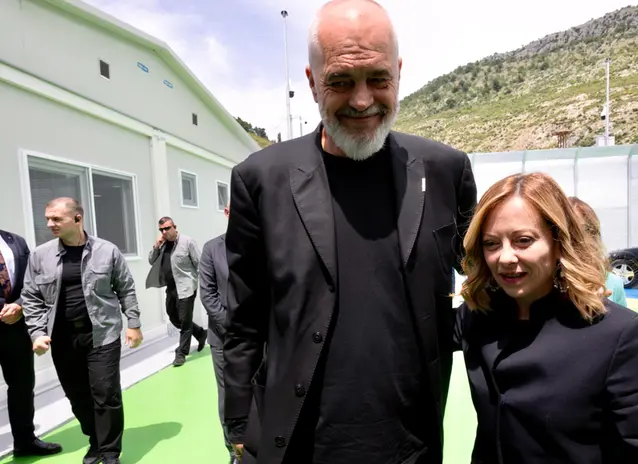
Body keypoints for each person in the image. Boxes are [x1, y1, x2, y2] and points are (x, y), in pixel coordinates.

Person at [222, 0, 477, 462]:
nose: (362, 101)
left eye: (378, 79)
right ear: (312, 81)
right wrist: (239, 419)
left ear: (398, 72)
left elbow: (489, 284)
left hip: (412, 443)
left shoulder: (445, 170)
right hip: (300, 443)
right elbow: (244, 317)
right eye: (340, 81)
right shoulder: (260, 180)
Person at [453, 173, 638, 463]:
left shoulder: (619, 334)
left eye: (523, 241)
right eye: (491, 243)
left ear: (559, 242)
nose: (506, 257)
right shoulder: (477, 316)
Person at [22, 197, 143, 464]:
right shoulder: (40, 255)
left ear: (77, 218)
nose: (49, 224)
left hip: (102, 334)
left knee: (106, 394)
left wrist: (133, 323)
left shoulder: (107, 251)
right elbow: (31, 297)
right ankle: (96, 441)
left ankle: (110, 452)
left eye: (56, 219)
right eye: (47, 219)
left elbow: (125, 288)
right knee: (77, 396)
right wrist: (37, 333)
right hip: (63, 337)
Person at [0, 229, 63, 458]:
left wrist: (19, 305)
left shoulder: (15, 241)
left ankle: (25, 442)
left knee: (22, 385)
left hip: (15, 326)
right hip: (5, 315)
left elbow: (32, 279)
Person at [199, 202, 239, 464]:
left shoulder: (263, 245)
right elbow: (208, 293)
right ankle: (234, 449)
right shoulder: (212, 248)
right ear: (226, 213)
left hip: (261, 336)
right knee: (229, 394)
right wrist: (231, 325)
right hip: (224, 336)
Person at [146, 216, 207, 366]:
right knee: (173, 317)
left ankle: (181, 353)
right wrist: (156, 246)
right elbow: (151, 261)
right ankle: (200, 333)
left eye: (167, 228)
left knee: (185, 322)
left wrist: (205, 286)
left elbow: (200, 264)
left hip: (186, 287)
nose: (164, 232)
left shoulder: (188, 242)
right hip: (171, 288)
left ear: (174, 227)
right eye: (161, 229)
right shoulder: (162, 245)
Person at [568, 196, 628, 307]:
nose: (574, 239)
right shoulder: (544, 283)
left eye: (585, 230)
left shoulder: (613, 282)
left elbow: (623, 317)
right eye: (567, 231)